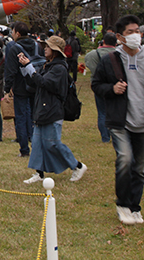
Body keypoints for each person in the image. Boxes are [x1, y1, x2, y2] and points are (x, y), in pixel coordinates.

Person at [92, 14, 144, 225]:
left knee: (139, 168)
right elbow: (96, 85)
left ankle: (134, 206)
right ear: (120, 37)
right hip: (120, 121)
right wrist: (112, 89)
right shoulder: (110, 59)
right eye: (130, 32)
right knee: (125, 159)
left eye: (137, 31)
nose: (135, 36)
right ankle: (122, 204)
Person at [20, 36, 87, 184]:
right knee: (37, 143)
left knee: (53, 143)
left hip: (53, 111)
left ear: (55, 51)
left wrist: (30, 67)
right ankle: (39, 173)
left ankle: (77, 166)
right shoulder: (48, 66)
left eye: (48, 47)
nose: (44, 49)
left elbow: (45, 83)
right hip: (42, 110)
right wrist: (25, 68)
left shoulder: (59, 68)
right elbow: (35, 83)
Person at [4, 22, 38, 157]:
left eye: (13, 31)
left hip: (21, 87)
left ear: (17, 33)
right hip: (36, 84)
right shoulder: (37, 46)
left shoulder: (14, 48)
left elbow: (10, 71)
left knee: (21, 118)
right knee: (34, 117)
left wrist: (7, 89)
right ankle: (35, 144)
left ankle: (24, 149)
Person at [85, 32, 118, 143]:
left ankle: (105, 137)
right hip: (116, 86)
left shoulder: (94, 54)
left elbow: (87, 60)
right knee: (115, 111)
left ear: (103, 41)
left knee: (102, 112)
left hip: (99, 86)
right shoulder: (118, 53)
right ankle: (116, 136)